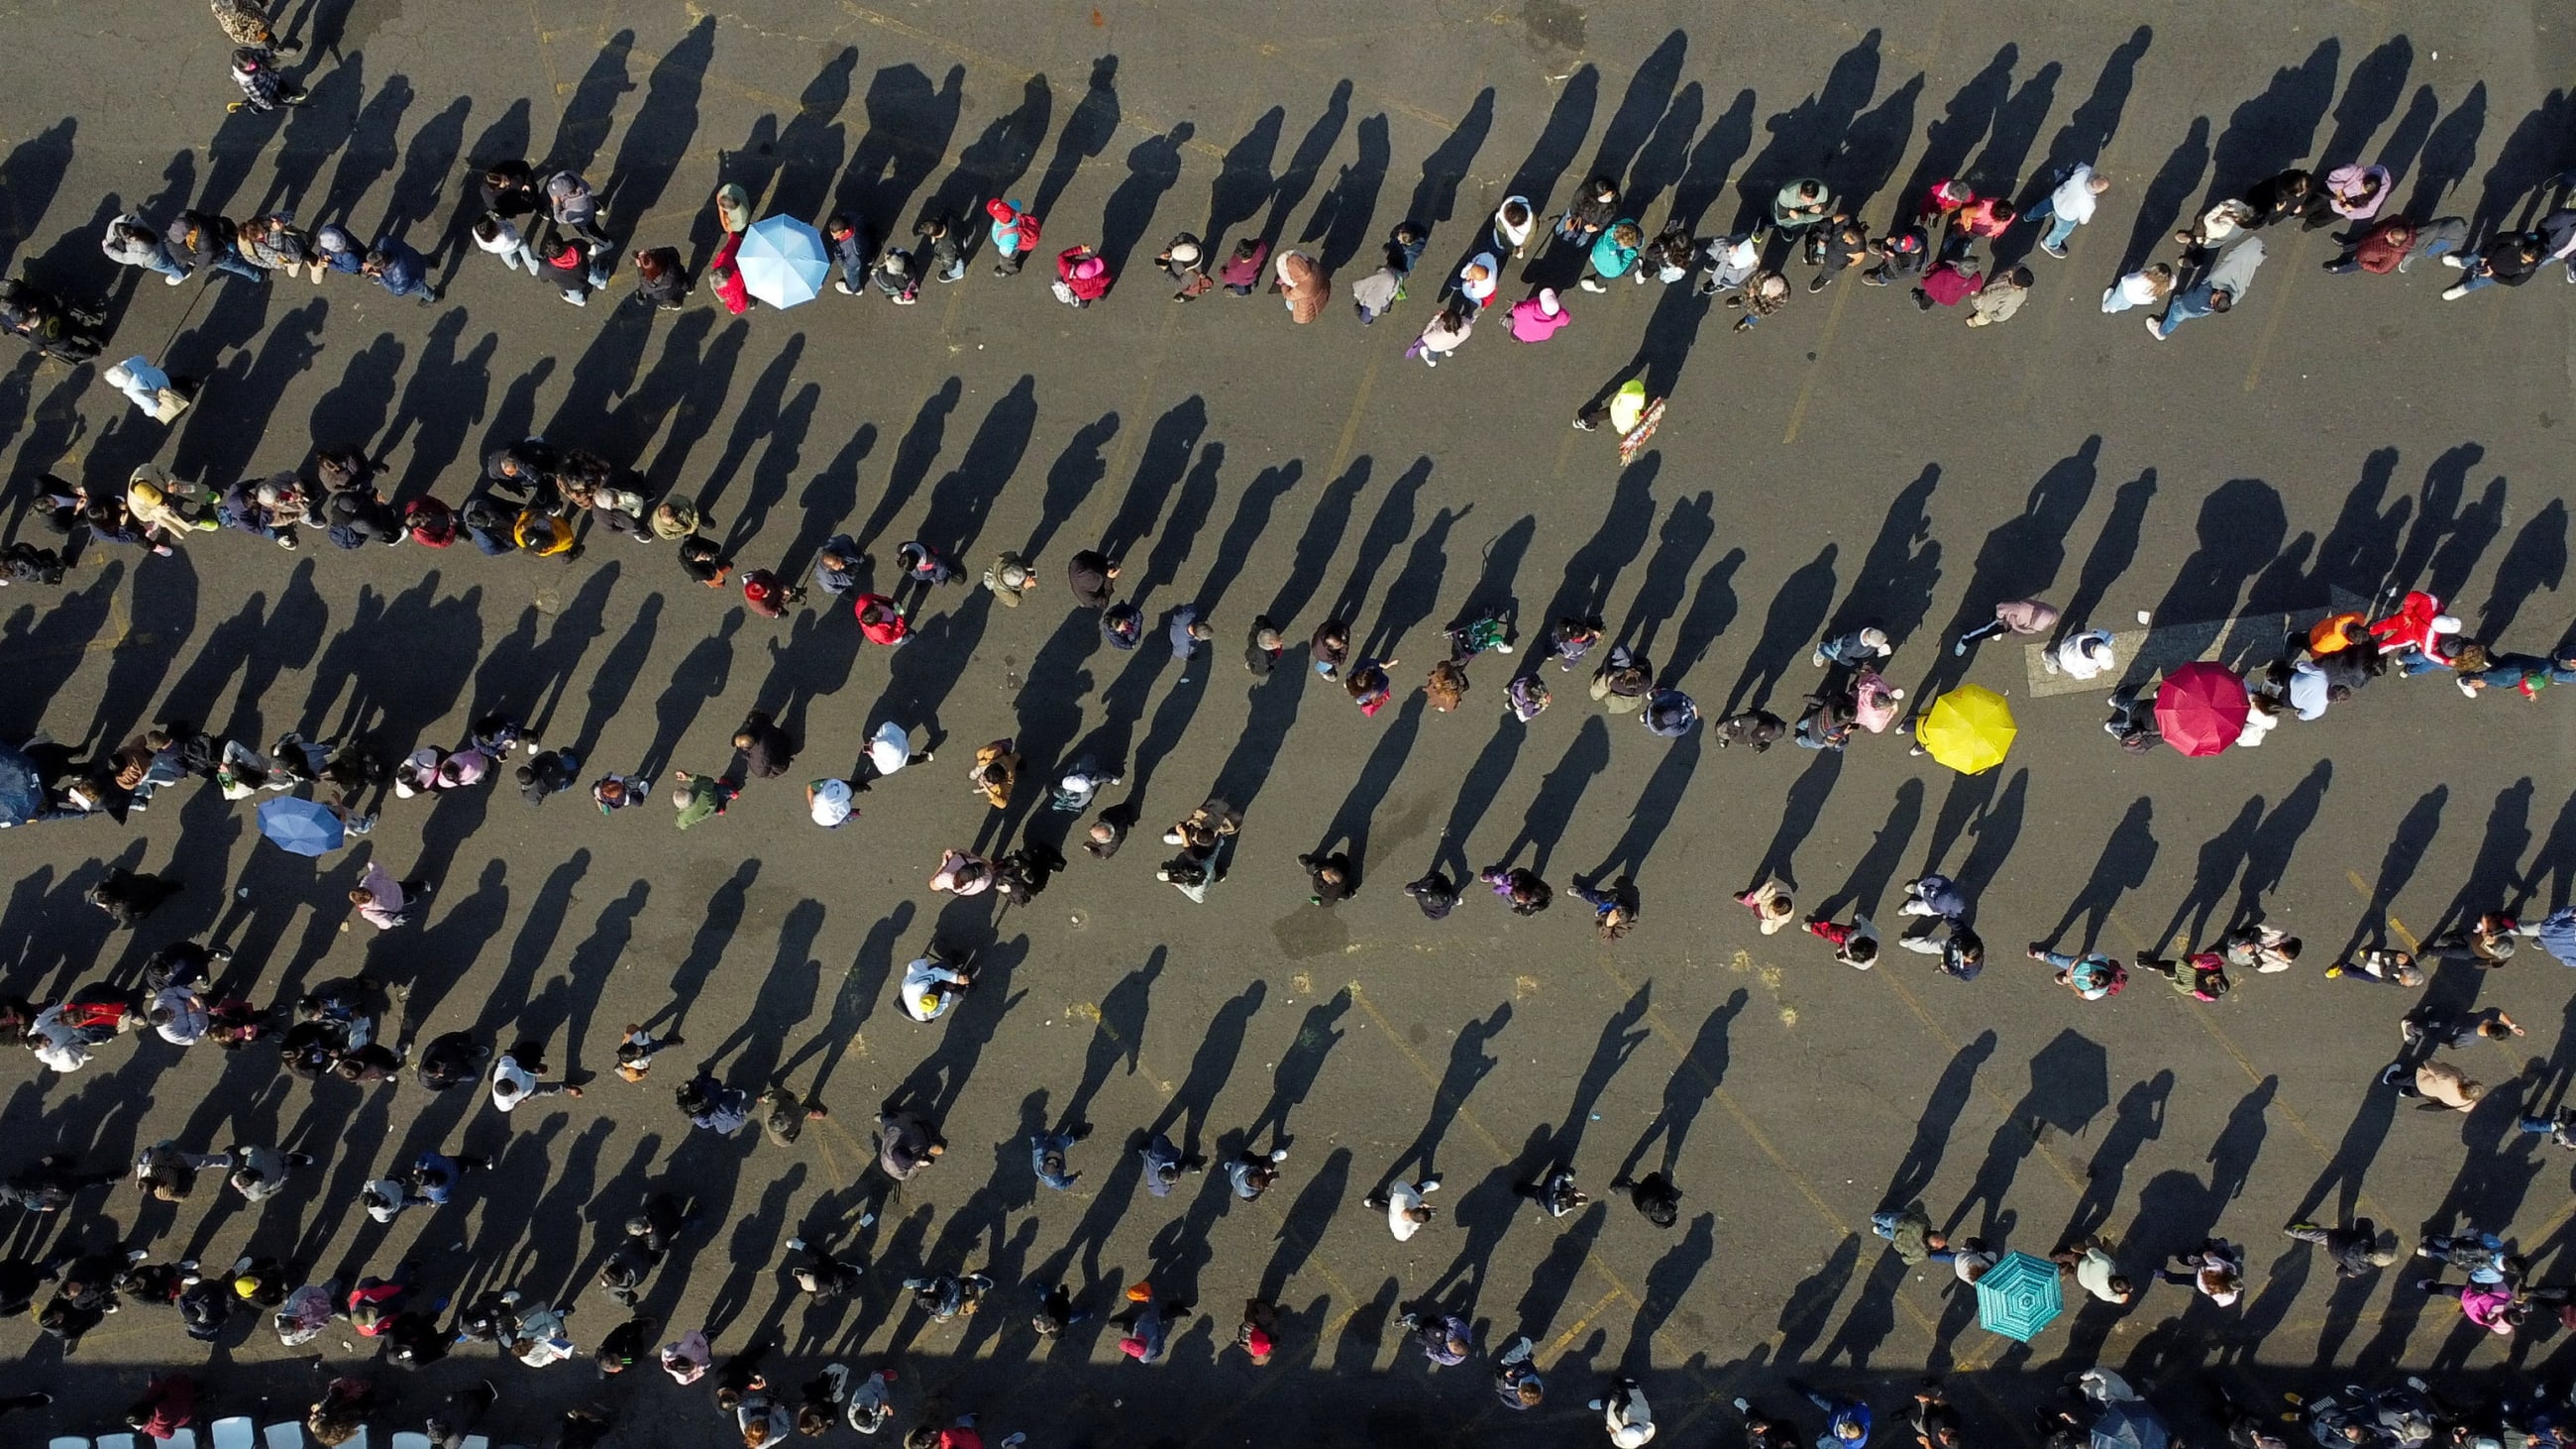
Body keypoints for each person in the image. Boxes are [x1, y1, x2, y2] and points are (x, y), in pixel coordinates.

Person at [2149, 235, 2265, 339]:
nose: (2219, 291)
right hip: (2197, 312)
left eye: (2217, 294)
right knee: (2175, 320)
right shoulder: (2230, 299)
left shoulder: (2203, 293)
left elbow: (2206, 276)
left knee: (2173, 318)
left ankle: (2161, 331)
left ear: (2214, 302)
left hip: (2182, 307)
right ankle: (2163, 331)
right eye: (2222, 293)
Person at [2282, 1219, 2399, 1278]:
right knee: (2319, 1239)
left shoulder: (2367, 1238)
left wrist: (2368, 1225)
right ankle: (2295, 1232)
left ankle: (2293, 1230)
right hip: (2335, 1253)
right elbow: (2341, 1272)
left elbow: (2361, 1222)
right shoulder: (2362, 1269)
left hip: (2335, 1237)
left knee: (2313, 1234)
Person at [1365, 1171, 1442, 1240]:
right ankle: (1370, 1203)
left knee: (1410, 1192)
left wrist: (1420, 1201)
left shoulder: (1403, 1197)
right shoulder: (1404, 1231)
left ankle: (1370, 1202)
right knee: (1387, 1210)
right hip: (1394, 1217)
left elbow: (1400, 1184)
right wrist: (1416, 1224)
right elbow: (1402, 1237)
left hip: (1396, 1205)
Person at [986, 197, 1040, 275]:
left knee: (1006, 260)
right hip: (1015, 234)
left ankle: (1008, 270)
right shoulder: (1010, 209)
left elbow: (1005, 254)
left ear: (999, 220)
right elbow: (1017, 202)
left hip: (1013, 245)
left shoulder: (1007, 241)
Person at [1596, 1380, 1656, 1447]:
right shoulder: (1642, 1411)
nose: (1626, 1425)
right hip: (1624, 1404)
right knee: (1621, 1393)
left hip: (1614, 1417)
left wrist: (1610, 1429)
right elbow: (1636, 1394)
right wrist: (1629, 1384)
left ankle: (1603, 1404)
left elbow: (1615, 1437)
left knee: (1607, 1410)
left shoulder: (1624, 1441)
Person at [671, 770, 735, 830]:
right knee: (719, 790)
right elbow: (709, 781)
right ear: (688, 792)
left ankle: (720, 809)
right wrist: (688, 777)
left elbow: (680, 824)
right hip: (713, 797)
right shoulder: (701, 789)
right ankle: (732, 793)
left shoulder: (682, 819)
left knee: (712, 809)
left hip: (709, 810)